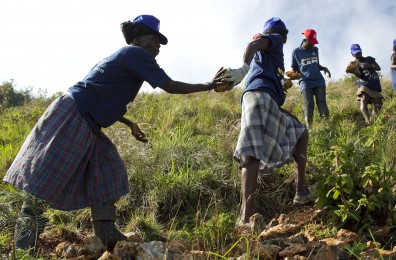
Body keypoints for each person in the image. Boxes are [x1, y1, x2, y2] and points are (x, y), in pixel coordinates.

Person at [3, 14, 226, 251]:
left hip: (86, 119)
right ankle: (23, 248)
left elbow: (101, 93)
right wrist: (209, 85)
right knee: (45, 178)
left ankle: (106, 232)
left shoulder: (126, 57)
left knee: (108, 168)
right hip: (74, 115)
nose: (159, 45)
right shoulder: (135, 54)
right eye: (155, 38)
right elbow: (168, 85)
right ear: (138, 37)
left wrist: (129, 123)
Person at [222, 17, 311, 226]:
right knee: (251, 154)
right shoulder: (274, 39)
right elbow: (253, 44)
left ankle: (301, 191)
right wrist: (243, 68)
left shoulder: (269, 58)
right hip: (259, 97)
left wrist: (281, 85)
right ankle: (245, 219)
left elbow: (263, 65)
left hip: (264, 99)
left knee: (300, 131)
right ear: (282, 35)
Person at [291, 29, 331, 127]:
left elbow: (316, 65)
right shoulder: (296, 52)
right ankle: (310, 129)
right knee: (308, 104)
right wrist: (295, 74)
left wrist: (324, 68)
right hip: (305, 81)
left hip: (318, 80)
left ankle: (327, 126)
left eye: (314, 42)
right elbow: (294, 68)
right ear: (306, 40)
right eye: (311, 42)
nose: (313, 44)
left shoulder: (315, 50)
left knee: (321, 102)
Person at [347, 44, 383, 124]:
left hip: (374, 83)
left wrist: (370, 66)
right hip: (364, 83)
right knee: (364, 100)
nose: (358, 54)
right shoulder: (354, 64)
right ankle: (368, 121)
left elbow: (378, 68)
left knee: (378, 103)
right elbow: (360, 76)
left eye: (359, 52)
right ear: (352, 54)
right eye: (355, 53)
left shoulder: (369, 59)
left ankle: (373, 119)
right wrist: (353, 72)